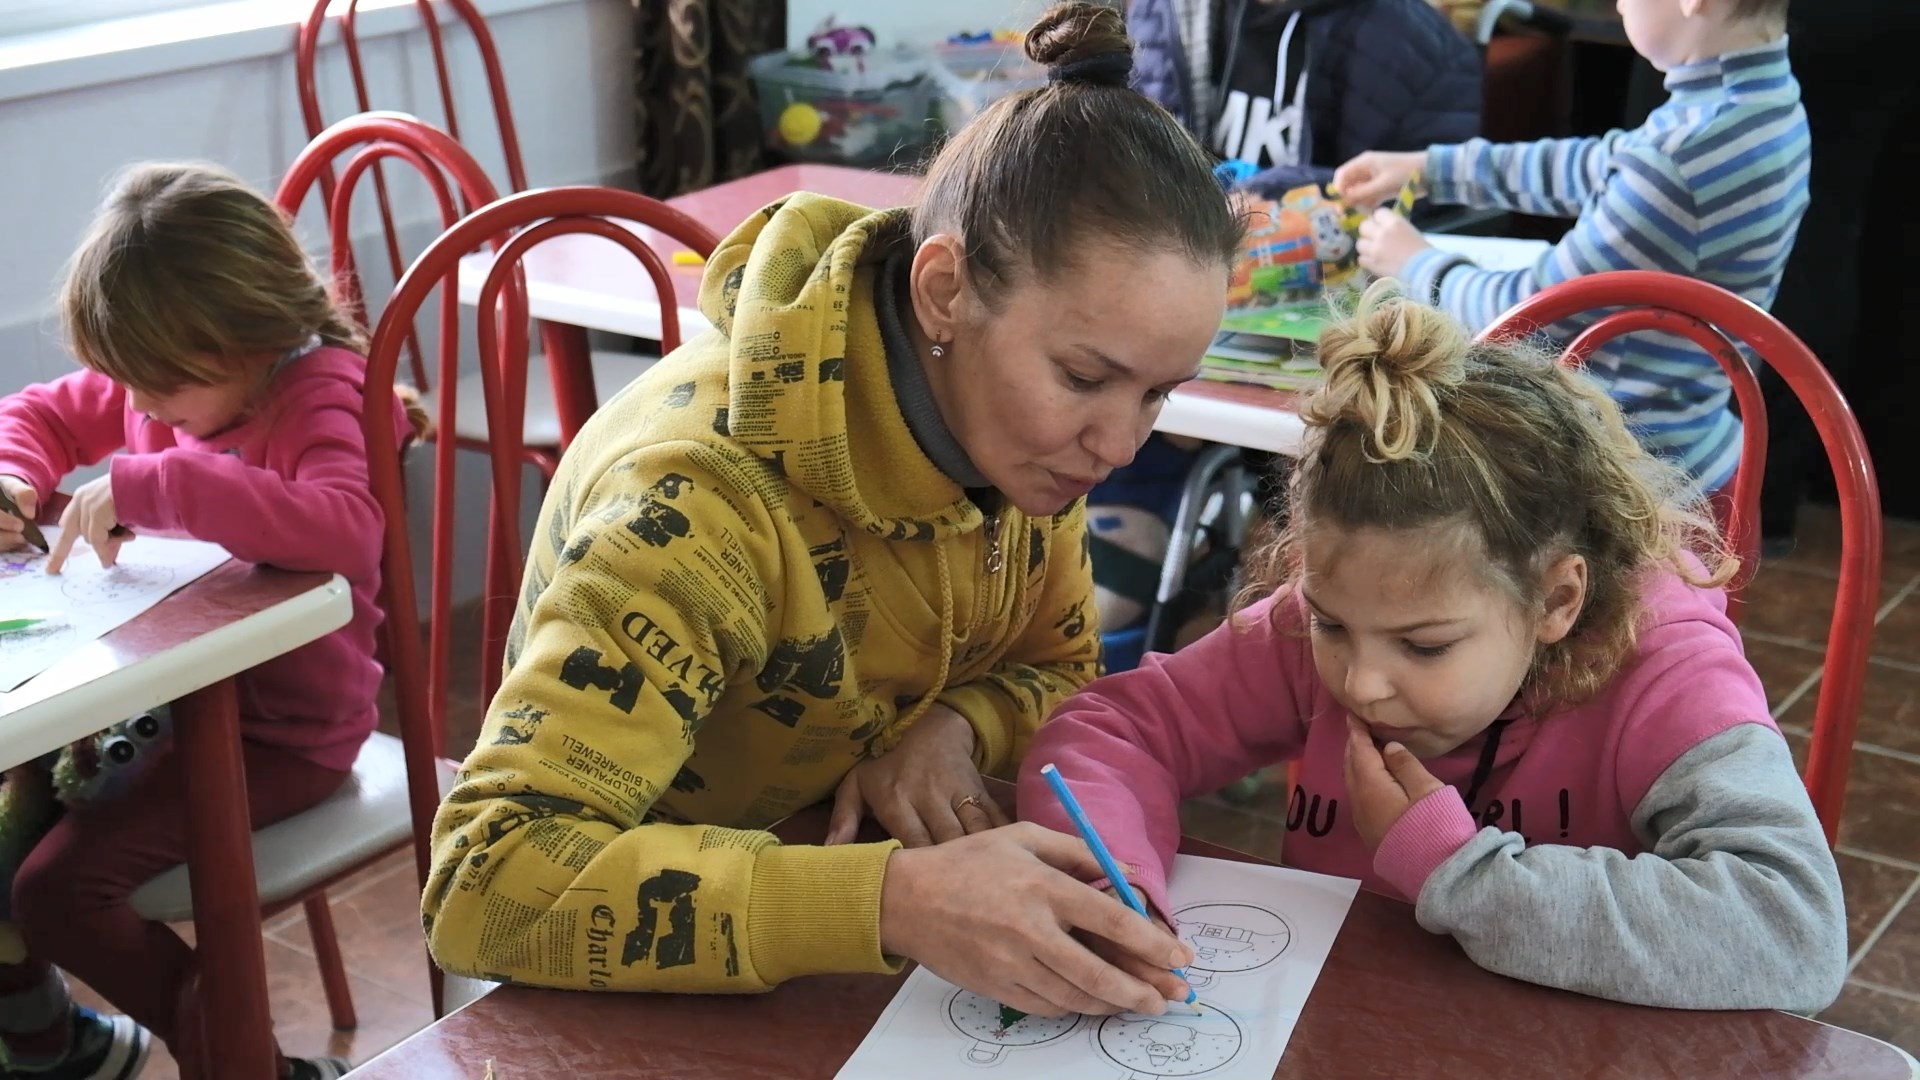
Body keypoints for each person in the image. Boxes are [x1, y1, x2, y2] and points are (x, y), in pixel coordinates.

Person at [420, 2, 1243, 1020]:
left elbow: (1062, 667)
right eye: (1085, 377)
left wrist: (951, 726)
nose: (1120, 446)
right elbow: (485, 884)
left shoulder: (1019, 438)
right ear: (944, 291)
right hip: (618, 994)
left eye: (1158, 394)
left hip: (812, 945)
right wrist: (890, 900)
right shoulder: (694, 505)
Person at [1019, 282, 1846, 1014]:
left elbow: (1794, 932)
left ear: (1557, 600)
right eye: (1333, 625)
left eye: (1425, 647)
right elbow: (1114, 730)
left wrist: (1459, 871)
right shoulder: (1333, 618)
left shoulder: (1665, 671)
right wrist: (1109, 883)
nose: (1363, 684)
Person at [0, 163, 427, 1080]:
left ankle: (245, 1068)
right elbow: (39, 414)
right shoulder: (172, 378)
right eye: (127, 383)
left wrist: (158, 483)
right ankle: (52, 1045)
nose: (136, 406)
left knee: (59, 893)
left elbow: (345, 526)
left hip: (285, 737)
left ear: (245, 340)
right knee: (6, 833)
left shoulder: (322, 392)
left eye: (155, 387)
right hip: (157, 707)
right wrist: (15, 475)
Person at [1336, 0, 1806, 495]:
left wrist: (1413, 262)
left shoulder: (1679, 159)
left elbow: (1527, 317)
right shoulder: (1760, 104)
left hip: (1640, 486)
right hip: (1705, 456)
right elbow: (1601, 164)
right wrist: (1431, 169)